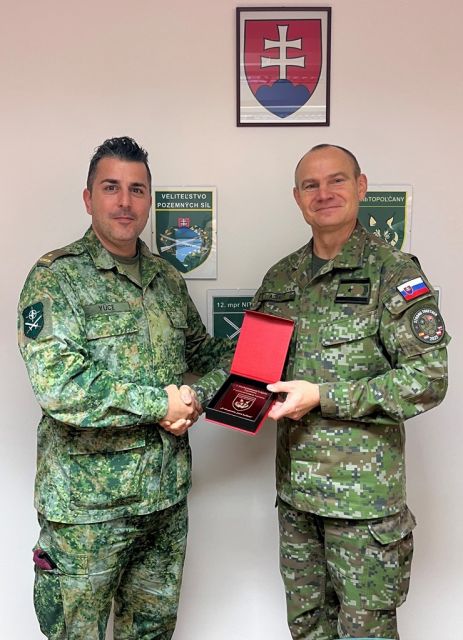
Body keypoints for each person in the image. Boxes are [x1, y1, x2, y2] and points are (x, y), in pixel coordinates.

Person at [18, 136, 233, 640]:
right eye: (111, 187)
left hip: (163, 502)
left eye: (137, 189)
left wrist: (211, 386)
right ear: (88, 198)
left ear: (149, 201)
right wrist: (162, 404)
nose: (124, 201)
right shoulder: (56, 279)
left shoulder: (166, 280)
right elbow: (60, 385)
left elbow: (206, 355)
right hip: (86, 511)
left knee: (152, 634)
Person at [251, 144, 449, 639]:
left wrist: (325, 395)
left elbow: (428, 378)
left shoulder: (394, 273)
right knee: (307, 629)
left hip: (364, 511)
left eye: (336, 180)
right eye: (311, 185)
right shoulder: (281, 278)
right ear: (297, 197)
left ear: (360, 187)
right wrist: (200, 399)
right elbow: (251, 368)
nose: (324, 193)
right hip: (298, 502)